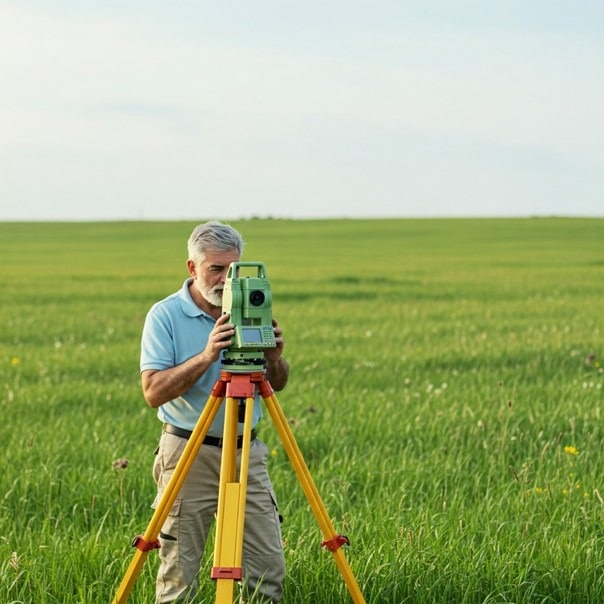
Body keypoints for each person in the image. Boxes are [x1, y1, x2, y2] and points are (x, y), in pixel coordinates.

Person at [140, 221, 289, 603]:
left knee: (267, 572)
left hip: (246, 452)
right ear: (192, 268)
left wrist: (274, 358)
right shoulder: (165, 315)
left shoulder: (253, 305)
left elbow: (279, 381)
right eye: (216, 269)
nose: (226, 280)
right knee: (178, 577)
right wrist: (208, 356)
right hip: (189, 452)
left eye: (233, 269)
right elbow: (154, 392)